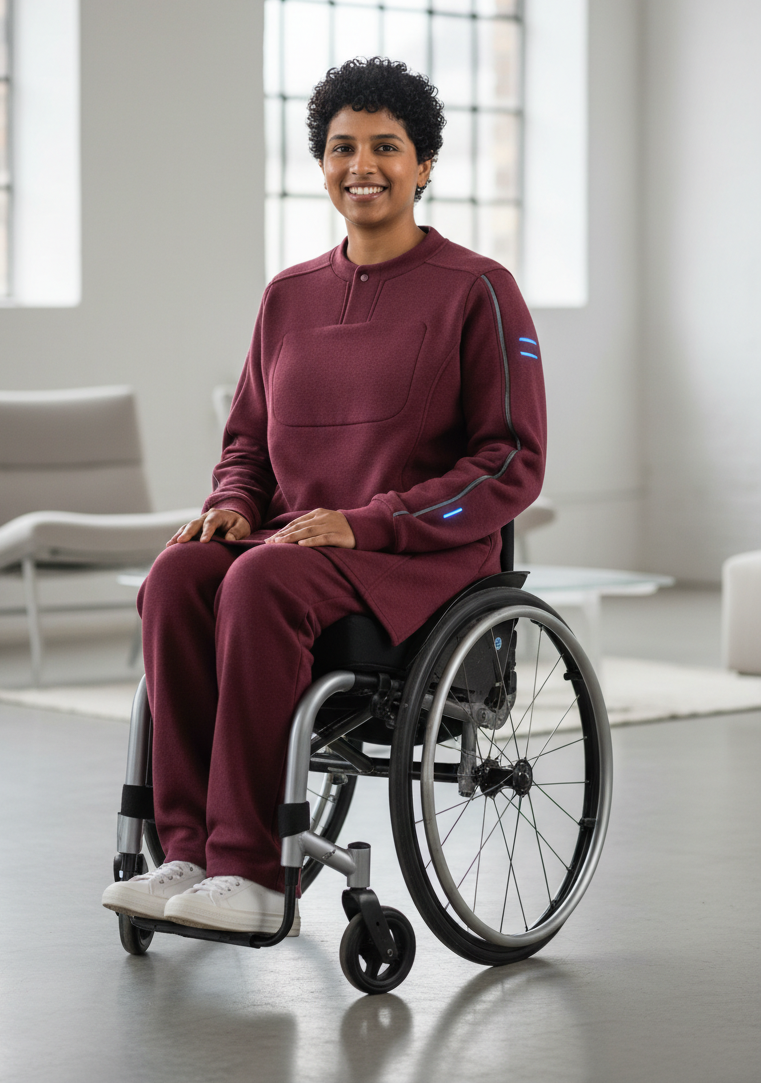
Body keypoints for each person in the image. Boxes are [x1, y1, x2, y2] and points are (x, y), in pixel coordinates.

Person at [102, 56, 546, 935]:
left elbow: (511, 462)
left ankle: (256, 871)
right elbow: (246, 444)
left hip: (414, 558)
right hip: (293, 543)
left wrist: (372, 521)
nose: (362, 165)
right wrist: (232, 501)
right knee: (181, 573)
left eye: (387, 146)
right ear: (321, 164)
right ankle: (185, 850)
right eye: (342, 147)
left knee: (258, 582)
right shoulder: (288, 297)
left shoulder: (478, 290)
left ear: (424, 164)